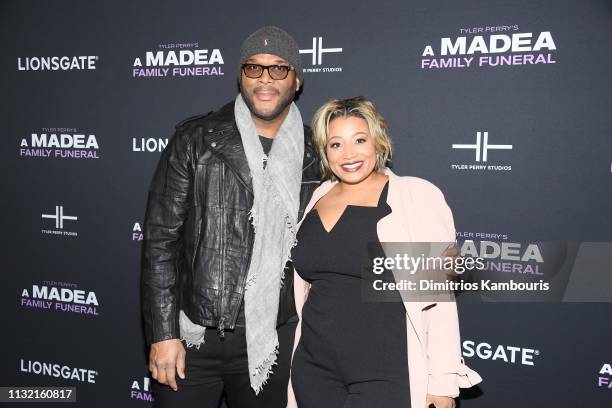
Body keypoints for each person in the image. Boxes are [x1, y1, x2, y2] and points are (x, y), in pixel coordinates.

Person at [141, 26, 320, 408]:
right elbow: (160, 243)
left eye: (279, 69)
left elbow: (364, 204)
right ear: (240, 76)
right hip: (193, 338)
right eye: (254, 68)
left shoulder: (317, 152)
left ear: (297, 80)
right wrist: (162, 334)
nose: (265, 79)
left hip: (277, 338)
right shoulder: (196, 139)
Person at [288, 96, 482, 408]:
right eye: (336, 144)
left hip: (386, 371)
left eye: (359, 140)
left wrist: (443, 380)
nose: (348, 154)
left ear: (378, 142)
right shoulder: (319, 195)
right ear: (325, 151)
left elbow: (438, 300)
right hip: (314, 366)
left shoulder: (415, 196)